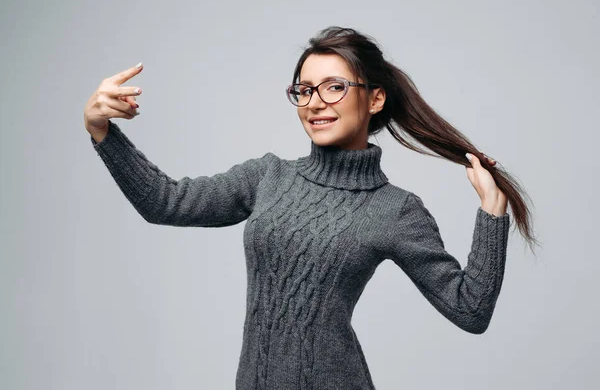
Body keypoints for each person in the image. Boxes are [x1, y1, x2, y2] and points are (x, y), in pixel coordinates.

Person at [84, 27, 536, 390]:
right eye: (304, 90)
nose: (315, 102)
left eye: (334, 87)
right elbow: (165, 202)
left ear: (375, 98)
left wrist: (492, 214)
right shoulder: (268, 176)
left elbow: (470, 311)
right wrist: (101, 128)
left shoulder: (395, 210)